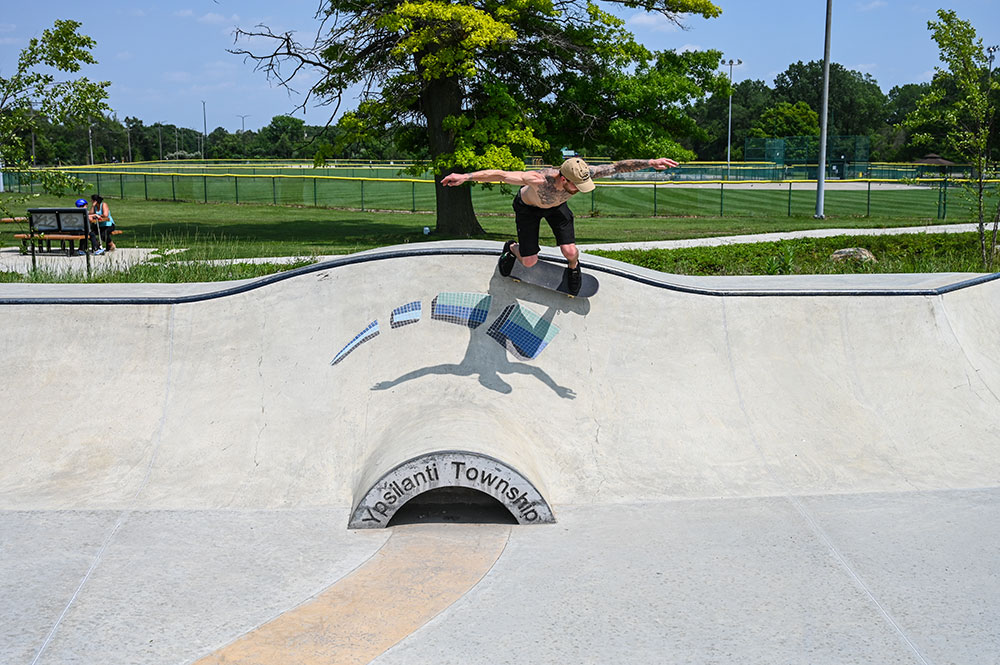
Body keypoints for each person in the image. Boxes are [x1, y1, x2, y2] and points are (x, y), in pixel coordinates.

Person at [442, 156, 678, 294]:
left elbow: (618, 166)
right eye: (576, 186)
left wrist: (650, 162)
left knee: (570, 252)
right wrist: (466, 177)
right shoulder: (537, 179)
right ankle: (512, 248)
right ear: (563, 179)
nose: (579, 190)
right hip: (528, 209)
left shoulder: (585, 174)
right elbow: (501, 175)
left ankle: (574, 268)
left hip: (557, 209)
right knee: (529, 261)